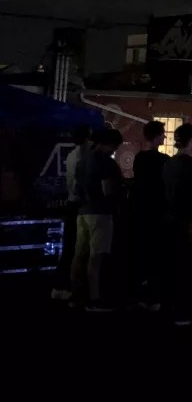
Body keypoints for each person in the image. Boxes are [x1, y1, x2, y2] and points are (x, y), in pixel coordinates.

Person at [69, 128, 124, 311]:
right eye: (114, 146)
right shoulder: (106, 163)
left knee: (79, 256)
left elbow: (76, 188)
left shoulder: (82, 161)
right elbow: (108, 190)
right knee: (96, 258)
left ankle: (77, 296)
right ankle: (94, 299)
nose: (114, 150)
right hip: (100, 213)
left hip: (83, 212)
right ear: (108, 144)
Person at [163, 123, 192, 325]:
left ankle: (169, 306)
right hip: (187, 222)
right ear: (191, 141)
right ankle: (182, 311)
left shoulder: (168, 164)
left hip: (169, 219)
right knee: (185, 266)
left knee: (171, 264)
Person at [131, 120, 170, 310]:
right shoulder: (163, 160)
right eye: (162, 133)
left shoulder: (139, 158)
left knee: (142, 253)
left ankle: (140, 292)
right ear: (156, 136)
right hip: (157, 212)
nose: (165, 136)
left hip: (140, 211)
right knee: (156, 255)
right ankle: (154, 296)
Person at [51, 125, 92, 302]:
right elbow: (79, 186)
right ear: (87, 138)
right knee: (76, 249)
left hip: (71, 204)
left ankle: (61, 286)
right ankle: (67, 287)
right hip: (78, 205)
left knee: (70, 247)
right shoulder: (83, 157)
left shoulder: (71, 155)